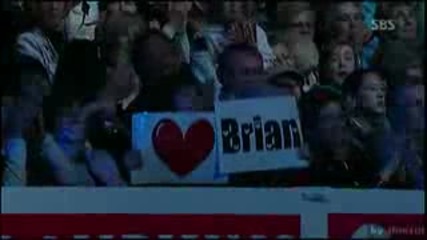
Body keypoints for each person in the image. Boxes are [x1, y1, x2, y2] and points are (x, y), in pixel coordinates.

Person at [342, 69, 420, 188]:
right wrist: (394, 161)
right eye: (372, 89)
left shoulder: (390, 130)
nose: (380, 95)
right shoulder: (345, 137)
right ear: (352, 97)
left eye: (383, 90)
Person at [205, 1, 275, 69]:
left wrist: (251, 48)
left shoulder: (257, 32)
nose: (232, 4)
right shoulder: (211, 35)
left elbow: (268, 61)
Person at [321, 2, 380, 69]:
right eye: (344, 19)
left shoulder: (378, 50)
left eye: (357, 18)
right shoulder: (324, 61)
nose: (353, 24)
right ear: (331, 27)